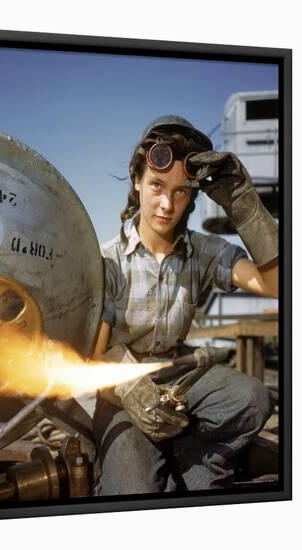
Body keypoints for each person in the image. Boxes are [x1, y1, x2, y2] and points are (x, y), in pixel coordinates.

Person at [91, 115, 278, 496]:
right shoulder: (107, 260)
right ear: (137, 181)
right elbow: (95, 356)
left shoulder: (204, 252)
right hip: (120, 390)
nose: (166, 204)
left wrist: (243, 202)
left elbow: (277, 285)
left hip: (179, 378)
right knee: (132, 491)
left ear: (192, 197)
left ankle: (194, 458)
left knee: (252, 399)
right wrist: (130, 390)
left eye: (180, 192)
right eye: (157, 185)